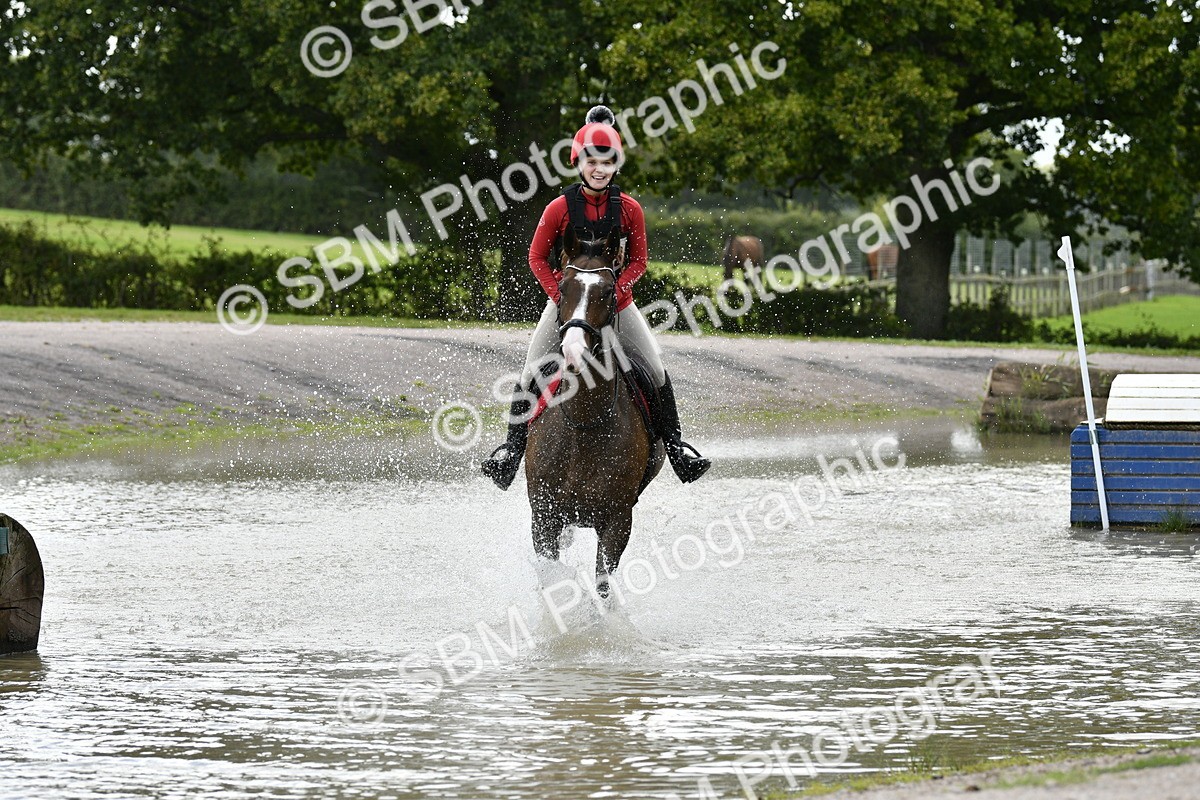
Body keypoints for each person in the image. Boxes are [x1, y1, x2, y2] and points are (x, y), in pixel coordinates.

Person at [481, 105, 711, 491]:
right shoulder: (558, 208)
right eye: (591, 160)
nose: (599, 168)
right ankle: (510, 452)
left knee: (655, 371)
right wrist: (558, 297)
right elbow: (536, 257)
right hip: (566, 305)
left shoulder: (630, 210)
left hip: (617, 306)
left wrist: (619, 291)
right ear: (579, 162)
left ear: (616, 164)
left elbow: (639, 261)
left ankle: (676, 450)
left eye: (606, 161)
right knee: (529, 373)